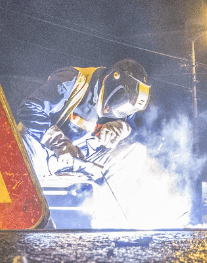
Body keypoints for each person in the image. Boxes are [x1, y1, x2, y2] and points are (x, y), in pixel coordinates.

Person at [16, 59, 150, 181]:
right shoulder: (73, 79)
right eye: (117, 103)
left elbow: (130, 124)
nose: (112, 111)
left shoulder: (127, 103)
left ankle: (102, 201)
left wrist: (121, 128)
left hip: (80, 159)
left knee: (135, 152)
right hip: (41, 150)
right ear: (111, 81)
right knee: (21, 154)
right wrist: (59, 143)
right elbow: (28, 108)